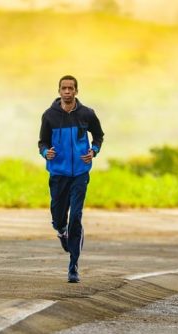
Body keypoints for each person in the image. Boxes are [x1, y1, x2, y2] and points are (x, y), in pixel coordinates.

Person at [38, 75, 105, 283]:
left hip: (80, 174)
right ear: (59, 91)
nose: (67, 91)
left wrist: (93, 151)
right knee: (59, 218)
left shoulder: (87, 114)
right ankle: (61, 230)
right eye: (64, 88)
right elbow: (42, 142)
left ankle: (73, 265)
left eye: (71, 88)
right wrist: (45, 152)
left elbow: (99, 136)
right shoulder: (49, 116)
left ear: (76, 91)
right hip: (58, 173)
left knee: (76, 216)